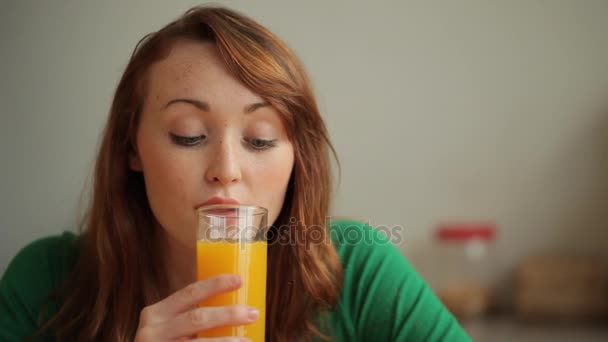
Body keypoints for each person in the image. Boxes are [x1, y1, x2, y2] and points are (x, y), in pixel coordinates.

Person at [0, 5, 471, 342]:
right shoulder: (44, 281)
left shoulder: (358, 269)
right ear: (132, 149)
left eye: (261, 139)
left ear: (296, 157)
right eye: (188, 135)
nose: (226, 172)